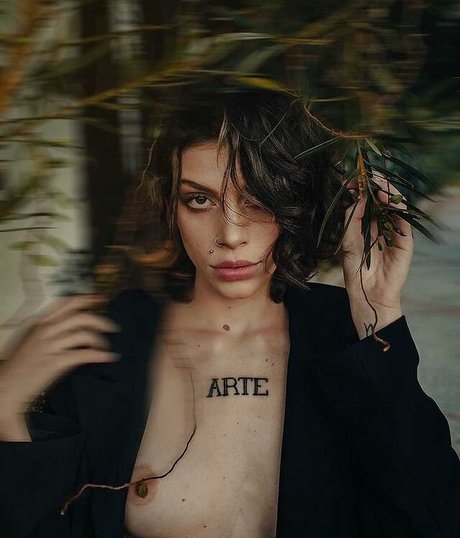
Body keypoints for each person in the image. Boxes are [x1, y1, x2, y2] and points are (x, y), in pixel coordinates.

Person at [0, 83, 459, 538]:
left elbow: (434, 518)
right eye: (199, 200)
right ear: (171, 206)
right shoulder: (109, 340)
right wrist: (5, 407)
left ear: (296, 202)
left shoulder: (345, 335)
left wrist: (379, 316)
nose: (231, 235)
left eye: (258, 200)